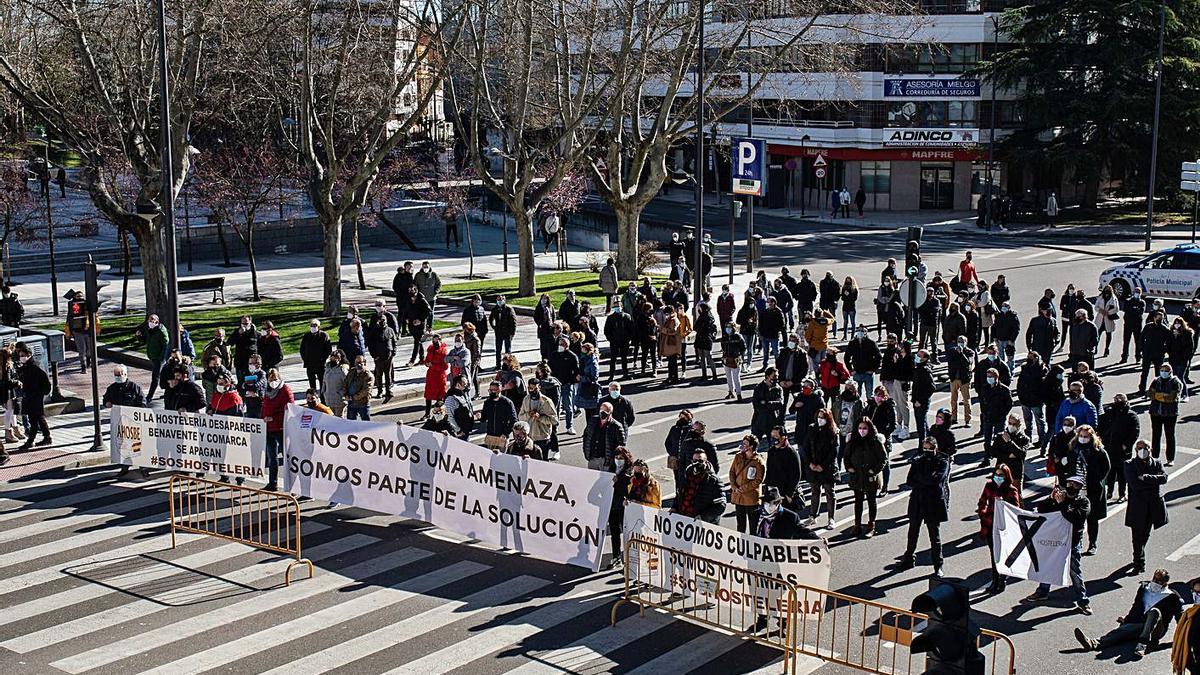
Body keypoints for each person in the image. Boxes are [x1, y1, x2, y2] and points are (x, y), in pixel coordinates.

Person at [1074, 568, 1184, 658]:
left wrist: (1185, 638)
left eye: (1159, 581)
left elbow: (1181, 618)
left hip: (1157, 630)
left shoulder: (1172, 596)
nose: (1155, 582)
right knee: (1123, 631)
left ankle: (1142, 644)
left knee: (1154, 612)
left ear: (1165, 583)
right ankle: (1093, 643)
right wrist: (1127, 619)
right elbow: (1136, 607)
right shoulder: (1144, 588)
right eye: (1154, 579)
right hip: (1140, 625)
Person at [1022, 476, 1091, 615]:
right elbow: (1041, 509)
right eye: (1070, 483)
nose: (1072, 487)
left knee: (1074, 571)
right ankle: (1042, 591)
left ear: (1080, 488)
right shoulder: (1059, 498)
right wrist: (1051, 499)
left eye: (1076, 485)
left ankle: (1083, 601)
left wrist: (1062, 504)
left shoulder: (1083, 502)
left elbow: (1075, 518)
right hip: (1055, 540)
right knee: (1049, 565)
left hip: (1072, 542)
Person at [895, 437, 950, 576]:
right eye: (924, 448)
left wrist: (922, 479)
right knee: (913, 532)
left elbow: (937, 479)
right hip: (917, 501)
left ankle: (938, 565)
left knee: (934, 536)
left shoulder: (942, 461)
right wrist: (926, 480)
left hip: (932, 502)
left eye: (929, 449)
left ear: (935, 448)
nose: (927, 451)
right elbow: (910, 480)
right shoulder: (918, 461)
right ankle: (908, 558)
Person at [1125, 439, 1168, 574]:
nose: (1141, 450)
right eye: (1138, 448)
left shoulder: (1157, 463)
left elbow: (1164, 478)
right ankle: (1139, 562)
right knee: (1137, 536)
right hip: (1138, 506)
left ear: (1150, 450)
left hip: (1153, 506)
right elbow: (1135, 485)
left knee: (1145, 534)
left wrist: (1146, 478)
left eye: (1144, 448)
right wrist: (1153, 482)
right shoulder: (1130, 465)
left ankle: (1139, 554)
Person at [977, 463, 1021, 594]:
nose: (998, 477)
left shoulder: (1011, 490)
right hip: (990, 523)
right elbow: (982, 501)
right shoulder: (989, 486)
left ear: (1006, 476)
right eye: (996, 474)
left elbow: (1015, 509)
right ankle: (995, 581)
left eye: (1001, 475)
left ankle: (1001, 580)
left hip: (1003, 526)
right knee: (993, 554)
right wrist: (982, 513)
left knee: (1001, 554)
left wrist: (1003, 503)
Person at [845, 418, 887, 538]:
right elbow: (846, 456)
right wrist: (849, 468)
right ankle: (857, 525)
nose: (862, 431)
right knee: (858, 501)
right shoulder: (853, 441)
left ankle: (871, 525)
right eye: (860, 428)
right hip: (857, 476)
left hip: (870, 477)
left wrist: (873, 471)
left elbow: (883, 459)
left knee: (871, 501)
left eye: (864, 428)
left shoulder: (875, 442)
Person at [1075, 424, 1110, 555]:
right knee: (1076, 517)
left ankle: (1092, 544)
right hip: (1077, 488)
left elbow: (1106, 467)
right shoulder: (1074, 448)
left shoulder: (1098, 451)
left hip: (1092, 489)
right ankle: (1077, 543)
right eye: (1081, 436)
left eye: (1086, 436)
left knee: (1092, 518)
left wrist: (1096, 480)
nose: (1083, 439)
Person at [1098, 393, 1139, 502]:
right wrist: (1101, 440)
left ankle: (1122, 494)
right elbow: (1101, 427)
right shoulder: (1109, 412)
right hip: (1109, 447)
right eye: (1116, 399)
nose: (1118, 401)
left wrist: (1126, 445)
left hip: (1122, 450)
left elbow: (1135, 432)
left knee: (1122, 474)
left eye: (1120, 399)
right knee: (1110, 472)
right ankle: (1109, 492)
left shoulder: (1131, 415)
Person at [673, 449, 725, 525]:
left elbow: (721, 505)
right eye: (694, 461)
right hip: (684, 519)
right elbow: (679, 494)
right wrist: (674, 507)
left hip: (702, 524)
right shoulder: (687, 474)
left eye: (700, 461)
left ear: (706, 462)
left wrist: (703, 517)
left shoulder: (713, 480)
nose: (697, 464)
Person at [260, 369, 292, 491]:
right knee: (272, 457)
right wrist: (263, 418)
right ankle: (272, 483)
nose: (272, 382)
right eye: (270, 379)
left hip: (280, 427)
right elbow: (264, 407)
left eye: (274, 379)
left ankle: (291, 483)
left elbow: (289, 409)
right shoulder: (267, 391)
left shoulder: (285, 390)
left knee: (286, 457)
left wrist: (273, 418)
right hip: (269, 428)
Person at [15, 345, 51, 449]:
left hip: (34, 396)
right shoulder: (27, 367)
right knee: (38, 418)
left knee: (34, 419)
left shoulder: (34, 367)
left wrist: (40, 392)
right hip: (32, 396)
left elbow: (43, 382)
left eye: (23, 355)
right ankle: (47, 437)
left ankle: (31, 441)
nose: (21, 357)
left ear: (29, 355)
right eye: (20, 355)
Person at [1148, 363, 1183, 465]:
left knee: (1170, 435)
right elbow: (1150, 394)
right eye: (1162, 370)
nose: (1163, 372)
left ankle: (1170, 458)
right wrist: (1163, 396)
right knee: (1155, 435)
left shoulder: (1176, 382)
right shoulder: (1156, 381)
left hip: (1170, 414)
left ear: (1170, 371)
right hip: (1155, 412)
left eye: (1166, 370)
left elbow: (1171, 398)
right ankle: (1155, 456)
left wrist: (1158, 396)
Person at [730, 435, 766, 533]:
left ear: (751, 446)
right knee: (740, 526)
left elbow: (758, 480)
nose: (743, 445)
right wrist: (734, 486)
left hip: (751, 499)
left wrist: (743, 488)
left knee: (753, 526)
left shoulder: (758, 462)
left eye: (745, 444)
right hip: (738, 497)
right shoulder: (738, 457)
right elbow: (732, 472)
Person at [978, 366, 1013, 466]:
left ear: (996, 377)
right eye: (988, 376)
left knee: (999, 440)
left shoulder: (1004, 390)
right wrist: (985, 412)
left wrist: (1002, 413)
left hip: (999, 418)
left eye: (991, 376)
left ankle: (1000, 461)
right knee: (987, 440)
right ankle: (987, 458)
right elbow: (983, 402)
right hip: (988, 417)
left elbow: (1009, 404)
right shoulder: (985, 388)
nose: (989, 379)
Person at [1016, 352, 1049, 451]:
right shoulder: (1025, 368)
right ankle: (1027, 439)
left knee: (1039, 420)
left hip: (1036, 400)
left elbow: (1044, 386)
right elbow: (1020, 383)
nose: (1029, 359)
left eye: (1031, 357)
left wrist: (1041, 398)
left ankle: (1042, 439)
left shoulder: (1042, 369)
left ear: (1036, 358)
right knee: (1027, 420)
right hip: (1025, 399)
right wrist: (1020, 395)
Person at [134, 314, 170, 401]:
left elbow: (166, 345)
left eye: (152, 321)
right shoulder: (150, 330)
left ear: (157, 322)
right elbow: (145, 341)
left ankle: (149, 396)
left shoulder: (161, 331)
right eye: (149, 321)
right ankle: (168, 392)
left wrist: (161, 358)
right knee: (164, 376)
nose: (150, 322)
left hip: (159, 358)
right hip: (153, 357)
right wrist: (139, 336)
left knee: (155, 377)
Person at [519, 382, 558, 460]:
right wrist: (528, 415)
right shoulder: (526, 399)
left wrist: (540, 417)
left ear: (539, 387)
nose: (532, 391)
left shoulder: (546, 401)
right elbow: (520, 417)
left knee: (542, 463)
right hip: (529, 437)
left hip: (542, 438)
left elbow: (554, 420)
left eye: (535, 388)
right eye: (530, 388)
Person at [582, 401, 625, 472]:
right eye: (601, 410)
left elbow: (621, 445)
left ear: (610, 412)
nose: (603, 412)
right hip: (592, 458)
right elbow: (586, 436)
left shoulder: (616, 426)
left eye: (606, 411)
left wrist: (612, 459)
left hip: (606, 461)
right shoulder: (593, 421)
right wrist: (586, 452)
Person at [367, 312, 398, 402]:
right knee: (379, 375)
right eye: (381, 320)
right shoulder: (374, 331)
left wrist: (393, 353)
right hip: (378, 357)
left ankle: (388, 390)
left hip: (389, 357)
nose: (382, 322)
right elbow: (370, 344)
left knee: (388, 375)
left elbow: (394, 342)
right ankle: (379, 391)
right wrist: (374, 355)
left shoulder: (390, 330)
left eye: (384, 320)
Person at [481, 381, 517, 451]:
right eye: (490, 390)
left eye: (494, 390)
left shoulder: (507, 403)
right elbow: (483, 418)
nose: (492, 392)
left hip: (502, 437)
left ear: (500, 390)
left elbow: (514, 420)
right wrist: (479, 416)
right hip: (490, 436)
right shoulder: (487, 402)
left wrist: (505, 433)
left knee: (502, 459)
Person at [65, 290, 96, 373]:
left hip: (88, 331)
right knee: (82, 350)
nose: (80, 298)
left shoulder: (87, 304)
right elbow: (69, 321)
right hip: (78, 332)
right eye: (78, 296)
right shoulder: (73, 306)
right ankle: (83, 366)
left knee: (89, 349)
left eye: (81, 296)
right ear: (74, 297)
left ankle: (88, 361)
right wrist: (69, 333)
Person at [946, 335, 973, 426]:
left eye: (963, 341)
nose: (960, 343)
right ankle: (954, 417)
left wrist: (961, 354)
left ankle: (967, 419)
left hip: (964, 379)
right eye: (959, 341)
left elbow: (967, 363)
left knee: (966, 400)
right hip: (954, 378)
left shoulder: (970, 352)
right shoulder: (952, 351)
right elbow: (951, 363)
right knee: (953, 399)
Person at [299, 319, 332, 392]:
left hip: (320, 364)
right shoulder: (306, 336)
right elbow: (302, 349)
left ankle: (323, 398)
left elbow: (328, 349)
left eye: (315, 325)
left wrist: (323, 359)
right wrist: (305, 359)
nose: (313, 327)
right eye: (311, 325)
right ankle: (313, 396)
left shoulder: (324, 335)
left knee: (322, 382)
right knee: (312, 383)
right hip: (310, 364)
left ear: (319, 327)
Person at [751, 367, 785, 440]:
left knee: (773, 444)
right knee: (754, 442)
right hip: (759, 421)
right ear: (767, 376)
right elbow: (757, 405)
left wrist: (766, 403)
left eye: (777, 376)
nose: (776, 378)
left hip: (773, 421)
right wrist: (771, 406)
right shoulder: (759, 388)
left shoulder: (778, 389)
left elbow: (780, 404)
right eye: (774, 376)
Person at [910, 349, 935, 443]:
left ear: (925, 359)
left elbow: (932, 387)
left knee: (921, 427)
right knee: (923, 423)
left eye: (919, 356)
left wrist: (920, 400)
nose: (916, 357)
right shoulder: (918, 368)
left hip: (921, 402)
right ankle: (931, 441)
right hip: (916, 400)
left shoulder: (925, 370)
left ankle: (922, 447)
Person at [1168, 318, 1195, 401]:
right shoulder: (1171, 333)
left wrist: (1179, 336)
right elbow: (1169, 345)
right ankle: (1176, 394)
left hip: (1182, 359)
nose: (1177, 325)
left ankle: (1185, 394)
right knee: (1174, 377)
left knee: (1180, 377)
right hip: (1173, 358)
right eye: (1175, 323)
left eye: (1179, 323)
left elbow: (1190, 347)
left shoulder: (1187, 333)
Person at [403, 287, 430, 366]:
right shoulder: (408, 300)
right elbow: (405, 310)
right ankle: (422, 358)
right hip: (411, 323)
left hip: (420, 324)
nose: (410, 292)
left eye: (412, 290)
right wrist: (406, 318)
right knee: (418, 340)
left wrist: (420, 320)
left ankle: (412, 360)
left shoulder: (421, 300)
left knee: (417, 341)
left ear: (416, 291)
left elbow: (428, 311)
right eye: (409, 290)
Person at [721, 322, 746, 400]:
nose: (728, 329)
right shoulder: (724, 337)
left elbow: (743, 348)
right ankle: (730, 392)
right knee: (728, 377)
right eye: (727, 327)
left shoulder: (738, 337)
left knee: (736, 378)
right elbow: (723, 347)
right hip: (726, 359)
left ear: (733, 328)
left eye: (730, 327)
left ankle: (738, 394)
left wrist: (740, 357)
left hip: (735, 359)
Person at [1121, 288, 1146, 363]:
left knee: (1138, 341)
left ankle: (1138, 357)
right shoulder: (1128, 301)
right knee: (1126, 341)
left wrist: (1133, 310)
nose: (1137, 293)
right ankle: (1124, 357)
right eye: (1136, 292)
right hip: (1128, 324)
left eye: (1138, 292)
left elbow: (1141, 312)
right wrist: (1135, 309)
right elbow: (1126, 310)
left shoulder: (1142, 302)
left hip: (1137, 325)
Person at [344, 355, 374, 421]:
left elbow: (366, 390)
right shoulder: (352, 371)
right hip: (351, 403)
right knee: (351, 424)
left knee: (366, 425)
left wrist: (353, 397)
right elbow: (345, 383)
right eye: (356, 362)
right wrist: (345, 394)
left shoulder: (368, 375)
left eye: (360, 362)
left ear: (364, 363)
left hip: (362, 403)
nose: (358, 364)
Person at [414, 261, 441, 330]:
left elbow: (439, 284)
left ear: (429, 267)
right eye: (424, 267)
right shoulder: (418, 275)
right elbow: (415, 285)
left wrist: (435, 292)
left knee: (431, 313)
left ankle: (429, 327)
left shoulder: (434, 275)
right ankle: (422, 327)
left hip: (431, 298)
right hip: (421, 299)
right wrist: (417, 294)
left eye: (427, 267)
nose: (425, 268)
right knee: (421, 313)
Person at [321, 350, 348, 416]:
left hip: (339, 399)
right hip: (329, 399)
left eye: (336, 357)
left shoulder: (342, 369)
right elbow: (324, 381)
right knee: (332, 418)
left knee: (339, 419)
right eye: (332, 357)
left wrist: (342, 393)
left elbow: (347, 383)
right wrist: (323, 392)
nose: (333, 359)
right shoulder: (327, 368)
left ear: (339, 359)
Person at [392, 262, 415, 335]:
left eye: (411, 267)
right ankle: (399, 330)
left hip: (409, 299)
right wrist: (403, 292)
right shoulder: (400, 275)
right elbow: (395, 287)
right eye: (408, 266)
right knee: (401, 315)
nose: (410, 268)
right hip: (401, 299)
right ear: (405, 267)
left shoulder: (410, 275)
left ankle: (406, 330)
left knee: (409, 315)